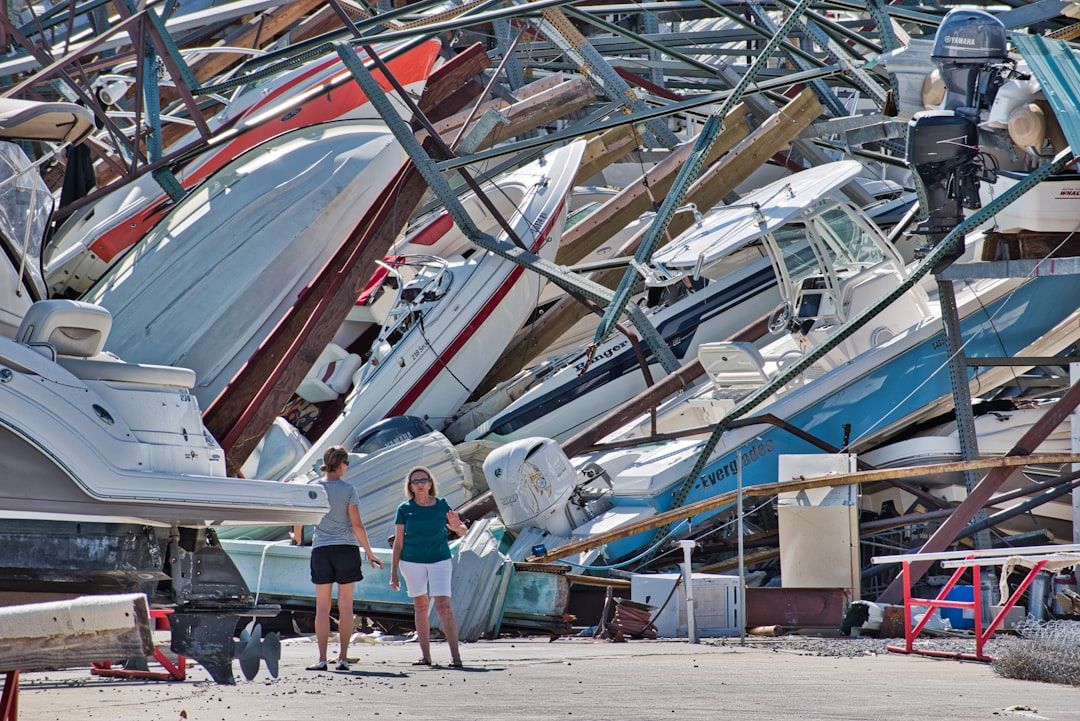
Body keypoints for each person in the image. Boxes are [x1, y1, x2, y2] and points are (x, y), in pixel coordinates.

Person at [293, 445, 383, 672]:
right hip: (345, 549)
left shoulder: (313, 488)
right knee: (345, 606)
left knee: (322, 607)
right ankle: (342, 658)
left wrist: (297, 539)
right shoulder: (348, 489)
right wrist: (369, 552)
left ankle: (322, 658)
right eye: (346, 463)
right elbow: (357, 525)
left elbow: (299, 517)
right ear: (341, 463)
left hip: (322, 550)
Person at [389, 465, 468, 667]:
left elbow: (462, 531)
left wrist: (458, 528)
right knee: (421, 606)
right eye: (416, 481)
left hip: (439, 559)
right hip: (411, 561)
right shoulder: (404, 509)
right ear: (411, 487)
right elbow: (398, 543)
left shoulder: (442, 505)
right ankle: (426, 657)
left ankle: (456, 657)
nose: (420, 484)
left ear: (431, 483)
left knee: (444, 606)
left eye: (424, 480)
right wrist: (394, 573)